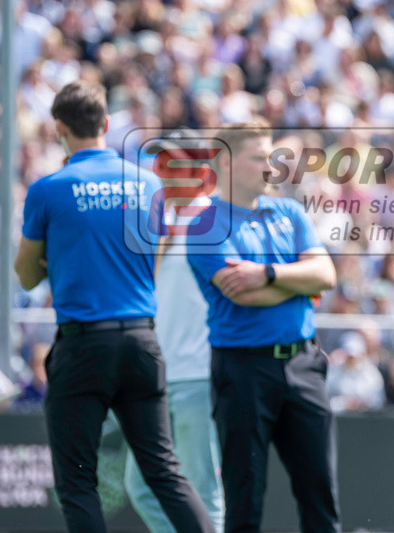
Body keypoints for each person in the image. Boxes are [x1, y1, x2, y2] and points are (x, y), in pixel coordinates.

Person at [14, 81, 214, 533]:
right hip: (143, 341)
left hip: (83, 344)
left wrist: (59, 257)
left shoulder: (48, 189)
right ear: (106, 124)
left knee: (78, 481)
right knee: (165, 473)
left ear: (60, 129)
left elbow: (25, 274)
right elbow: (153, 257)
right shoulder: (149, 184)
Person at [185, 120, 340, 533]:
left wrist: (269, 274)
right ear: (226, 163)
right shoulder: (203, 224)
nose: (271, 167)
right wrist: (297, 282)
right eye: (258, 158)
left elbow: (325, 274)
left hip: (303, 365)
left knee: (320, 497)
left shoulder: (288, 210)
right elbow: (243, 294)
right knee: (244, 502)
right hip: (243, 371)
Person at [124, 132, 225, 533]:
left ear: (201, 174)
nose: (160, 171)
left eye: (173, 164)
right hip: (160, 379)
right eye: (159, 162)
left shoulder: (216, 221)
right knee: (140, 485)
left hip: (199, 377)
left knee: (204, 490)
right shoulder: (163, 224)